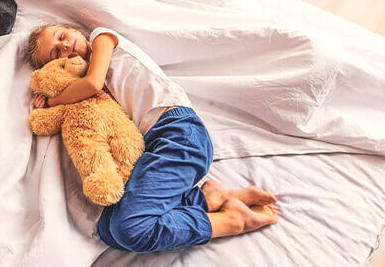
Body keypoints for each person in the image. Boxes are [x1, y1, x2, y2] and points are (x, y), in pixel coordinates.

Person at [25, 24, 279, 253]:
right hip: (154, 144)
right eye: (56, 54)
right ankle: (206, 199)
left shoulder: (101, 38)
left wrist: (53, 102)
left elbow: (93, 83)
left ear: (73, 29)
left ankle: (231, 221)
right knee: (108, 230)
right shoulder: (88, 87)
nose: (64, 46)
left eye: (62, 36)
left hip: (180, 132)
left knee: (130, 229)